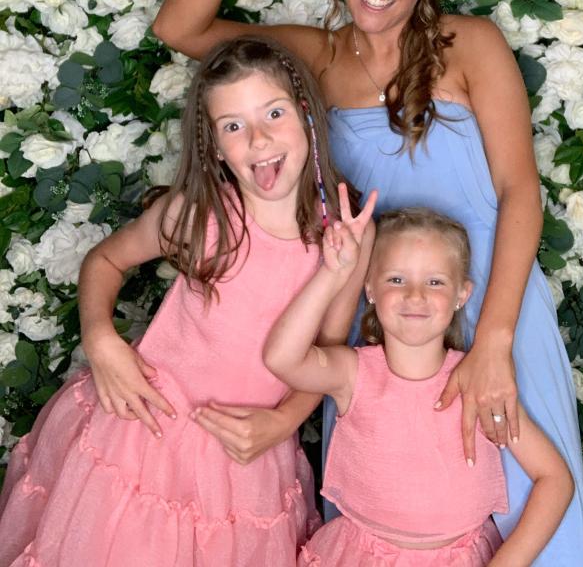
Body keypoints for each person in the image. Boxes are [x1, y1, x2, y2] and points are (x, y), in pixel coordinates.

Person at [152, 0, 583, 564]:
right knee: (393, 508)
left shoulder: (471, 45)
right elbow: (180, 28)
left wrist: (494, 341)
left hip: (492, 297)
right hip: (384, 315)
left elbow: (521, 192)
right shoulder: (318, 58)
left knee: (527, 497)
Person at [0, 37, 376, 567]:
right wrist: (100, 337)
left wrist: (284, 422)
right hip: (144, 431)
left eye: (274, 113)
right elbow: (106, 260)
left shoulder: (347, 233)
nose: (259, 138)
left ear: (307, 115)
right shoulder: (200, 216)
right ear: (215, 146)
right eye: (233, 126)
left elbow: (328, 351)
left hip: (244, 456)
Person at [264, 205, 574, 566]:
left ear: (462, 294)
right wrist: (334, 274)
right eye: (397, 279)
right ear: (370, 289)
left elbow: (555, 479)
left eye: (435, 282)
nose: (415, 295)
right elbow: (282, 358)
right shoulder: (352, 373)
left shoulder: (477, 385)